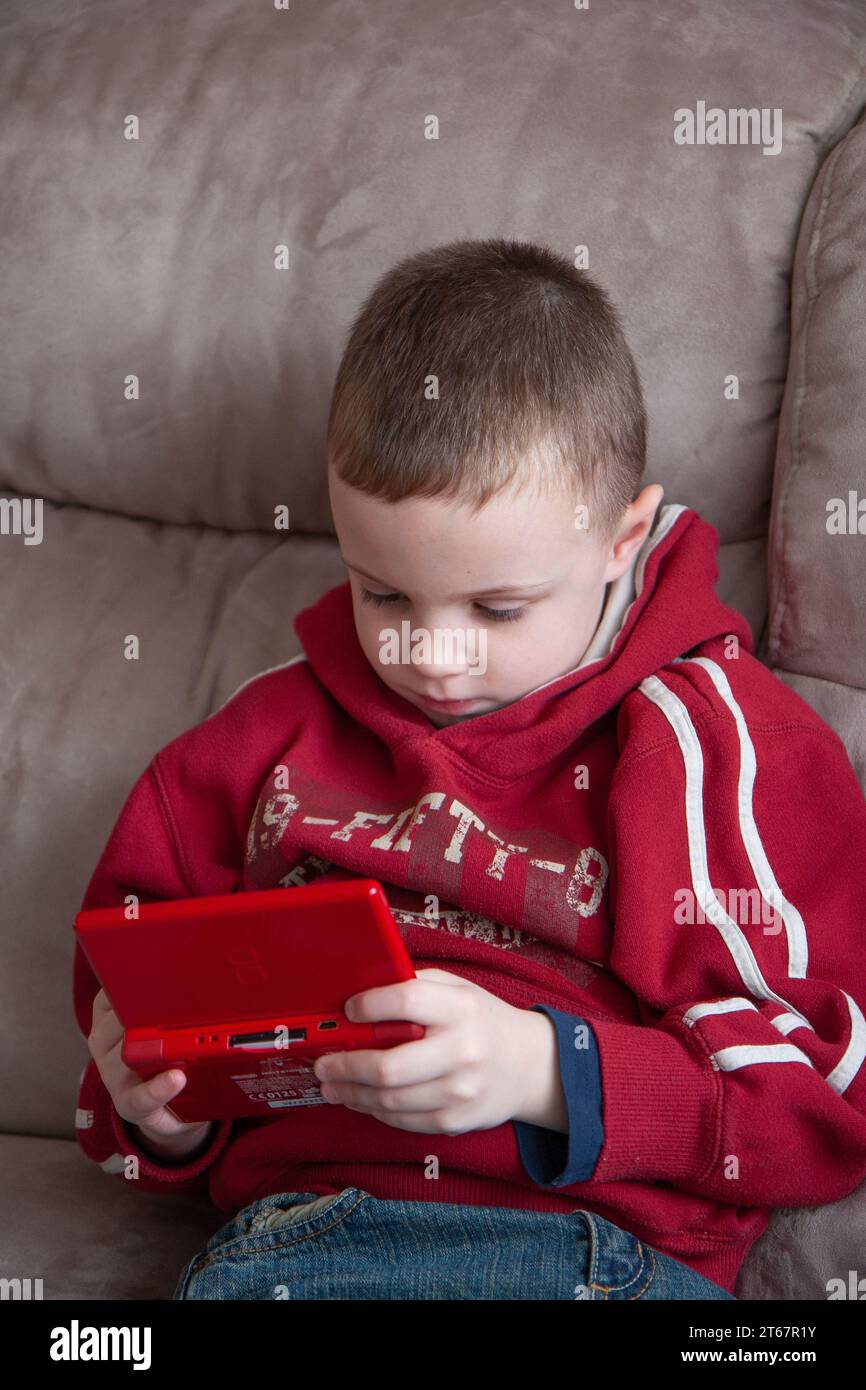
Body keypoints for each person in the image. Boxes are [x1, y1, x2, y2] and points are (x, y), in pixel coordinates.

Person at [74, 238, 866, 1301]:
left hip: (594, 1254)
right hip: (301, 1247)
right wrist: (151, 1106)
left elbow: (822, 1099)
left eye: (498, 609)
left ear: (621, 540)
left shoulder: (708, 741)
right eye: (383, 595)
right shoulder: (260, 743)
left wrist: (545, 1070)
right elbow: (140, 1024)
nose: (430, 657)